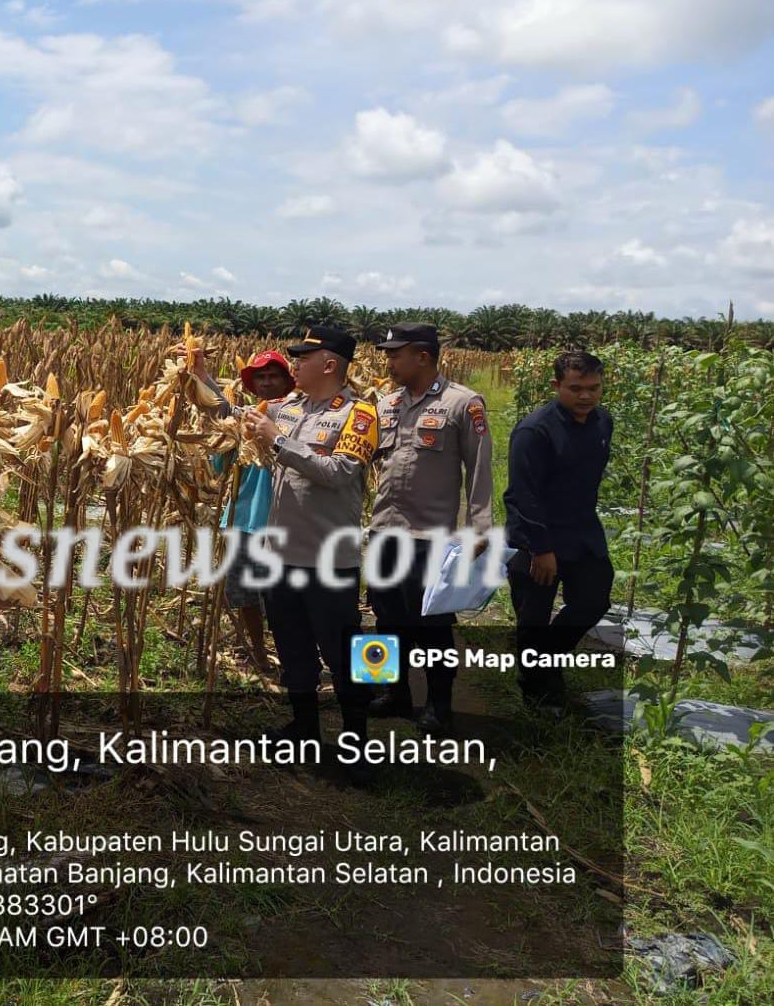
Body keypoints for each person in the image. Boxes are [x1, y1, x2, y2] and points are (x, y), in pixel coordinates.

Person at [242, 325, 379, 784]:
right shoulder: (288, 408)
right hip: (281, 557)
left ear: (329, 364)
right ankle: (304, 730)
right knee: (294, 649)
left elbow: (338, 472)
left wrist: (278, 441)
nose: (295, 365)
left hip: (329, 562)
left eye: (303, 358)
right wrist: (198, 375)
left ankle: (359, 742)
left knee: (344, 654)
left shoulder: (359, 415)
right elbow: (234, 414)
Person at [366, 323, 494, 735]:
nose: (388, 362)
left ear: (422, 356)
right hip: (384, 530)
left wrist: (479, 527)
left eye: (395, 354)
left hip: (429, 536)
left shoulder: (463, 404)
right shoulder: (386, 405)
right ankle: (390, 691)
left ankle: (440, 704)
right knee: (384, 617)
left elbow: (479, 469)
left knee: (432, 624)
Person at [504, 350, 613, 713]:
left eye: (594, 388)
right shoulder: (535, 431)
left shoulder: (602, 423)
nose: (586, 396)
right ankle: (537, 694)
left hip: (582, 533)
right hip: (536, 536)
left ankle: (544, 662)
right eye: (576, 388)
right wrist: (541, 548)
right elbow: (523, 494)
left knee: (594, 599)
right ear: (556, 385)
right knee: (533, 616)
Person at [191, 350, 296, 673]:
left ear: (287, 381)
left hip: (284, 523)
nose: (267, 383)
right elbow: (221, 415)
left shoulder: (298, 417)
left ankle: (294, 659)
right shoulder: (244, 419)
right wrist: (201, 376)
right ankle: (259, 653)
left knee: (283, 598)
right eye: (260, 377)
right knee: (244, 594)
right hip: (241, 519)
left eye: (274, 376)